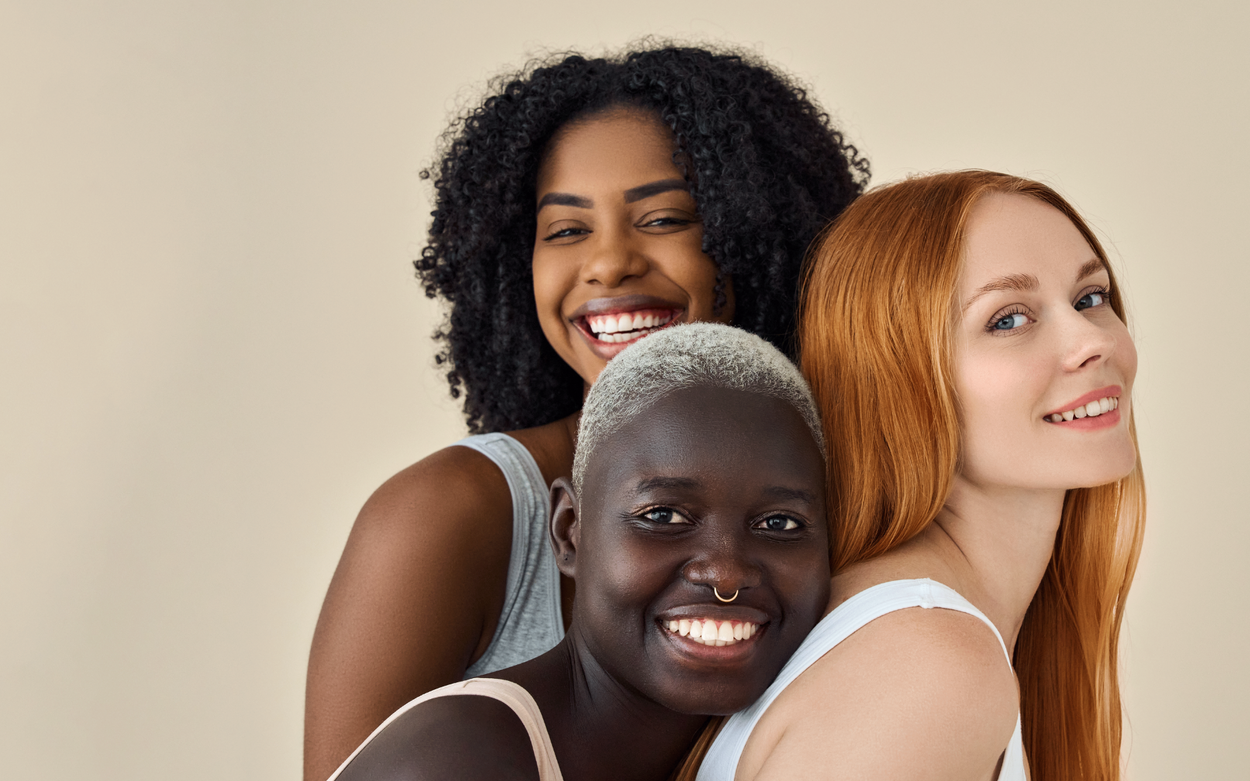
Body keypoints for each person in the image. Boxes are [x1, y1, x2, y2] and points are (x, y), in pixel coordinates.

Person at [305, 43, 868, 781]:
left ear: (751, 237)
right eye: (566, 230)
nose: (608, 264)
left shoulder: (837, 493)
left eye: (663, 218)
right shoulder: (448, 513)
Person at [695, 171, 1145, 781]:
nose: (1092, 339)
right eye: (1008, 319)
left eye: (1090, 298)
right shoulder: (929, 664)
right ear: (893, 378)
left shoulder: (930, 641)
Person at [331, 324, 831, 781]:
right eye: (663, 516)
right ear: (569, 532)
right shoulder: (459, 758)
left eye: (779, 523)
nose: (726, 572)